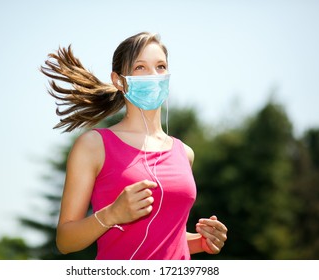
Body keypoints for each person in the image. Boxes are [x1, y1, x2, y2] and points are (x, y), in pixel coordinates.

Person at [41, 32, 228, 260]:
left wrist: (203, 242)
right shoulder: (94, 145)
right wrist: (112, 214)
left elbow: (169, 240)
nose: (154, 75)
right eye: (140, 67)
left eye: (160, 67)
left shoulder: (184, 153)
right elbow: (65, 241)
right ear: (119, 80)